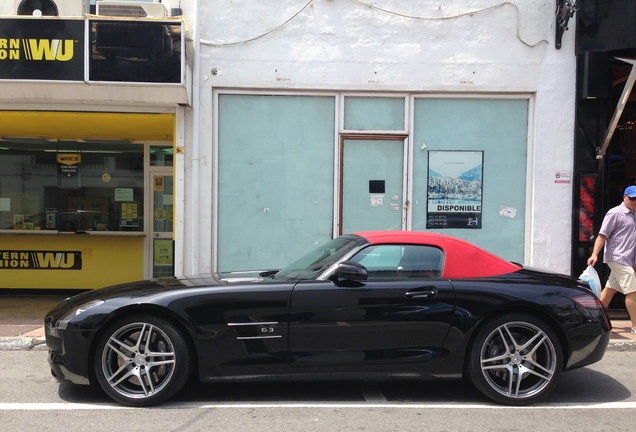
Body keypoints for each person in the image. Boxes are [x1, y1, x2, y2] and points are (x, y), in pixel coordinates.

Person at [587, 185, 636, 334]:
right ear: (624, 197)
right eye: (632, 198)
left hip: (628, 259)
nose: (635, 201)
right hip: (617, 257)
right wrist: (594, 254)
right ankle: (635, 326)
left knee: (610, 291)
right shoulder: (614, 213)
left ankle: (593, 319)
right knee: (633, 290)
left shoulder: (634, 214)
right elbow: (602, 235)